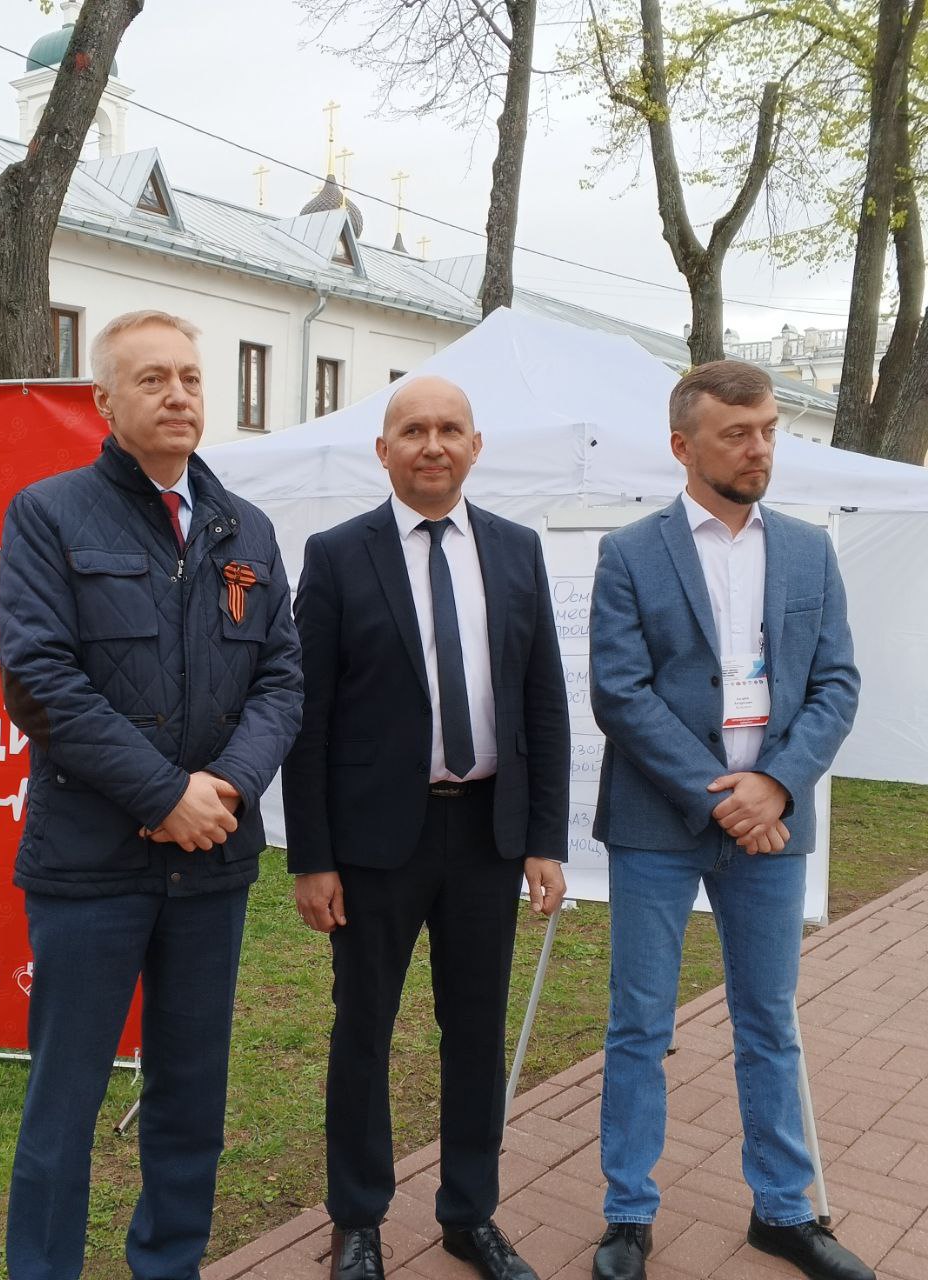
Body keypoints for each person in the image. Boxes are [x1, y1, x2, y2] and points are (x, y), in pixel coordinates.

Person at [0, 310, 303, 1280]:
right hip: (91, 866)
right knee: (64, 1101)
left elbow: (281, 678)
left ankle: (169, 1264)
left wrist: (228, 785)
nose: (178, 394)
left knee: (190, 1097)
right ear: (105, 401)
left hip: (210, 866)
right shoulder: (48, 514)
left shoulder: (245, 529)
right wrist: (164, 793)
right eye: (152, 379)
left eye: (190, 378)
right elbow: (40, 680)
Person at [283, 375, 571, 1280]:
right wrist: (312, 857)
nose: (433, 445)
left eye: (450, 429)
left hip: (488, 835)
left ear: (476, 446)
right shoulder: (337, 555)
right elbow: (307, 717)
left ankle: (469, 1215)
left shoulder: (518, 550)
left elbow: (543, 702)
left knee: (476, 1033)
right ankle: (357, 1220)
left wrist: (545, 838)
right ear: (384, 451)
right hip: (375, 846)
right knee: (363, 1029)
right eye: (413, 430)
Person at [588, 361, 870, 1280]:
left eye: (769, 431)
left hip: (773, 829)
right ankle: (628, 1214)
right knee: (639, 1023)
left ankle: (784, 1211)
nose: (759, 449)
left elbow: (836, 684)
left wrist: (776, 787)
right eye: (737, 434)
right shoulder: (631, 552)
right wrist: (727, 797)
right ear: (684, 445)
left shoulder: (808, 551)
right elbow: (621, 694)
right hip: (659, 825)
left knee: (769, 1021)